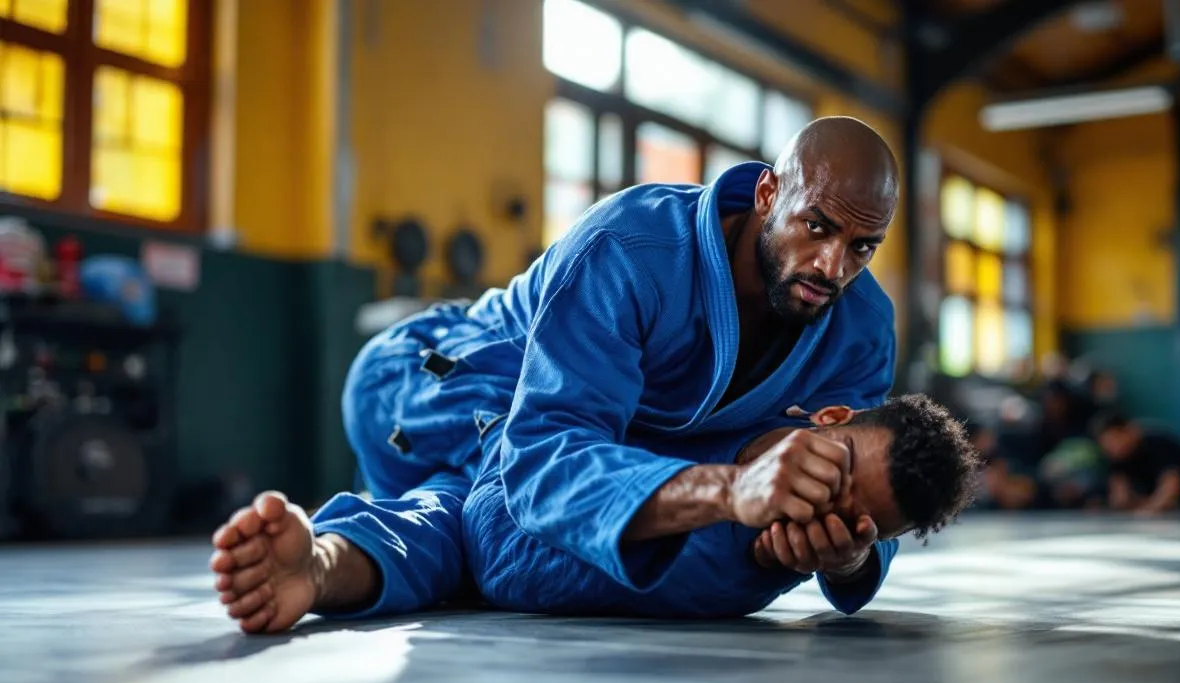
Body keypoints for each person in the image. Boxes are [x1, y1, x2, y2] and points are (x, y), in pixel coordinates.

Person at [209, 117, 907, 633]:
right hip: (444, 379)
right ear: (767, 194)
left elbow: (859, 460)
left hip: (573, 441)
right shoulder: (634, 245)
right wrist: (731, 488)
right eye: (817, 227)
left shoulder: (863, 329)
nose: (832, 266)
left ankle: (321, 565)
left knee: (467, 531)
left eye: (862, 246)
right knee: (503, 507)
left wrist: (845, 557)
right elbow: (543, 459)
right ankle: (326, 564)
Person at [210, 395, 978, 626]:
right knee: (424, 527)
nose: (820, 505)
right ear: (830, 419)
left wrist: (848, 559)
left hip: (485, 565)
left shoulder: (810, 553)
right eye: (832, 470)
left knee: (437, 552)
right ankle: (314, 561)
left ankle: (308, 571)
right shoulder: (715, 409)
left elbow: (862, 562)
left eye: (854, 521)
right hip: (493, 481)